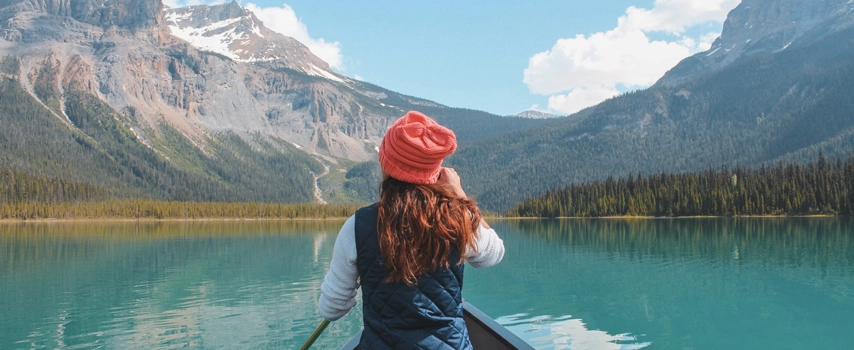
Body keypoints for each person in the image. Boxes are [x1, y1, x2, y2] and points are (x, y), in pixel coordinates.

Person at [317, 110, 505, 349]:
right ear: (435, 172)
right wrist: (460, 195)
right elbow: (493, 254)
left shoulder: (357, 226)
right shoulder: (458, 218)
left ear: (385, 165)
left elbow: (331, 309)